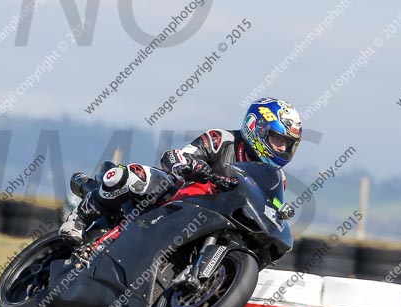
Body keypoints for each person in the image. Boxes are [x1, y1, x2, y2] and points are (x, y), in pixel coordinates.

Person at [60, 97, 302, 243]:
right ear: (256, 127)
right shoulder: (222, 140)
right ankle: (78, 219)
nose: (281, 148)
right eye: (277, 140)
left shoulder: (273, 180)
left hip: (214, 223)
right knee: (127, 175)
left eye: (287, 145)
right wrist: (190, 164)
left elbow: (270, 210)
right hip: (177, 197)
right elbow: (177, 157)